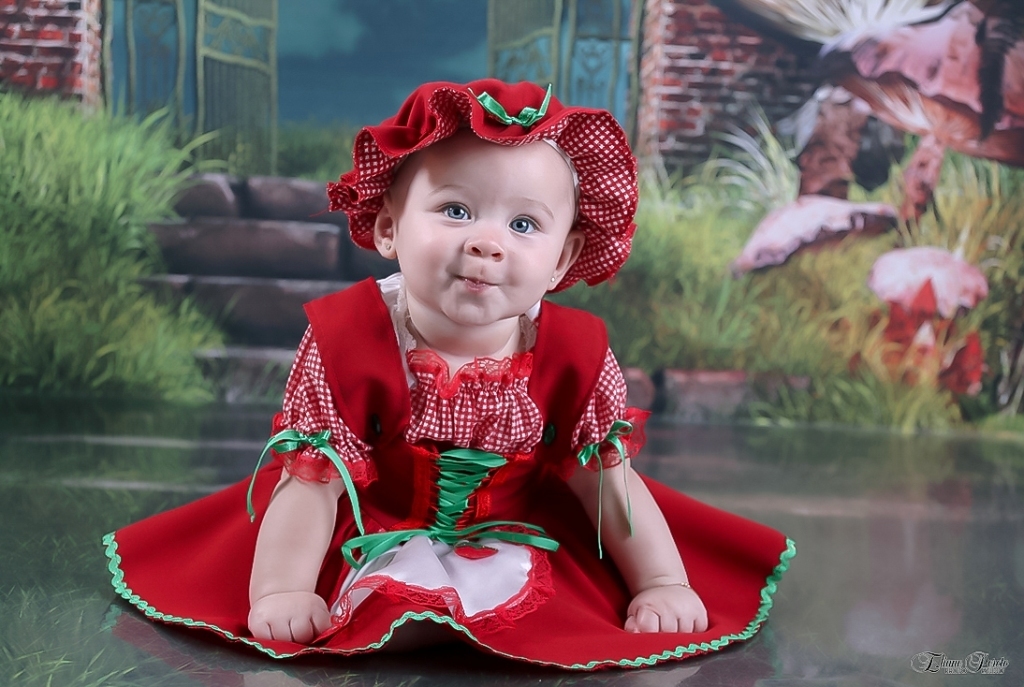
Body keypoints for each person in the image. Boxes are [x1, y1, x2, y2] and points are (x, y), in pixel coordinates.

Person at [103, 79, 795, 670]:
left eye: (524, 224)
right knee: (347, 583)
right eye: (455, 210)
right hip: (370, 522)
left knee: (569, 611)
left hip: (521, 525)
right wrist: (280, 590)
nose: (486, 242)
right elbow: (312, 480)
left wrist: (661, 582)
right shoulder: (348, 336)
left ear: (562, 259)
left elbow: (606, 484)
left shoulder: (574, 352)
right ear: (388, 227)